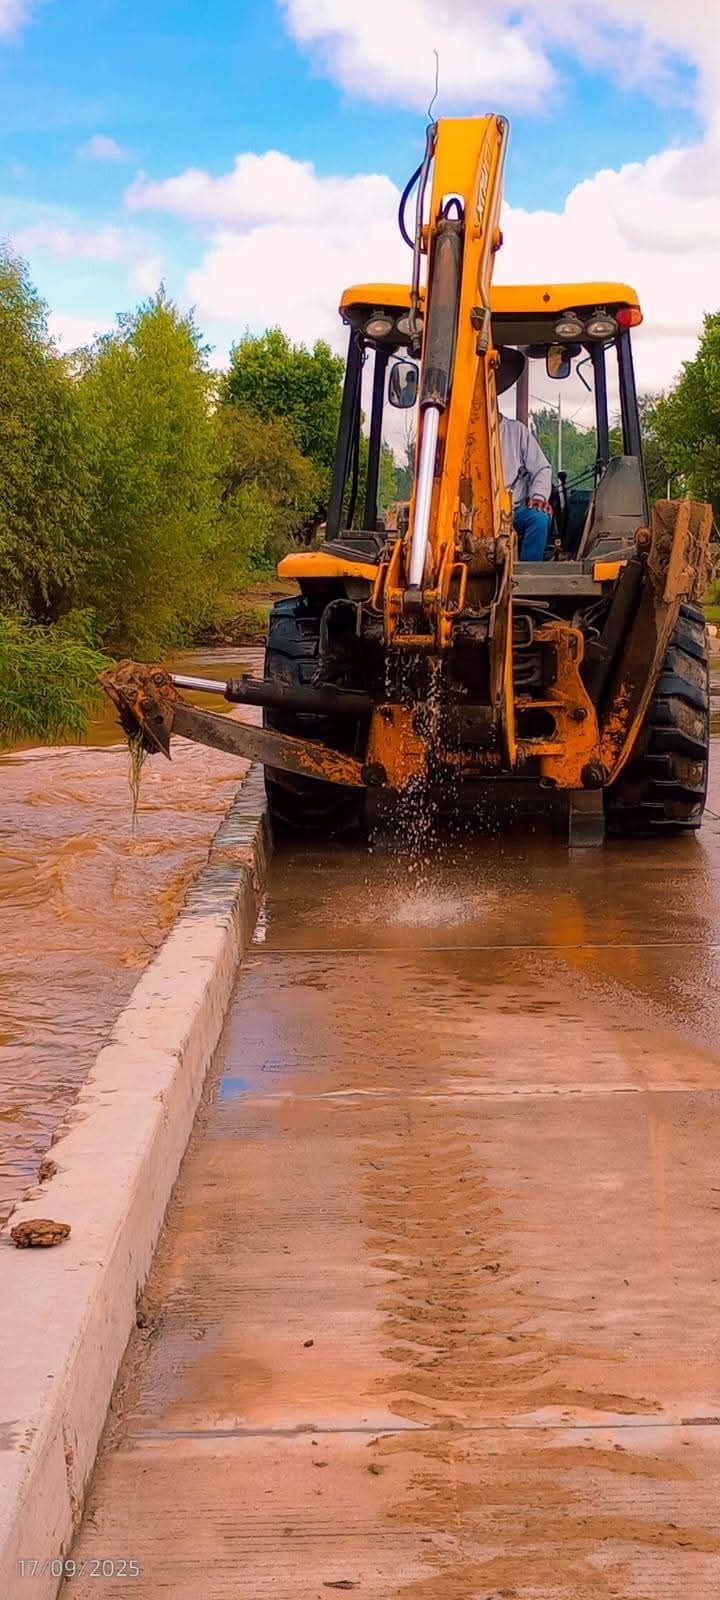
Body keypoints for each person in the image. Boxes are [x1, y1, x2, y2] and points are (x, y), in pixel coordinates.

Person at [496, 347, 552, 561]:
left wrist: (538, 496)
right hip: (464, 516)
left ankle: (529, 572)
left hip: (513, 512)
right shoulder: (458, 435)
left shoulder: (516, 431)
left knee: (539, 519)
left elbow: (542, 468)